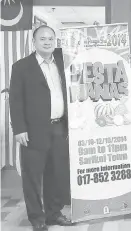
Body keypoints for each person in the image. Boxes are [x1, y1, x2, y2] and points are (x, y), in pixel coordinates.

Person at [9, 25, 71, 231]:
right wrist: (19, 129)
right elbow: (15, 100)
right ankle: (37, 218)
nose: (47, 42)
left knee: (56, 174)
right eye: (42, 39)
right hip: (33, 131)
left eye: (51, 39)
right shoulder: (21, 67)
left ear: (55, 42)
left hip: (59, 128)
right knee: (33, 176)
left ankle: (54, 213)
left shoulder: (62, 64)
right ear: (33, 42)